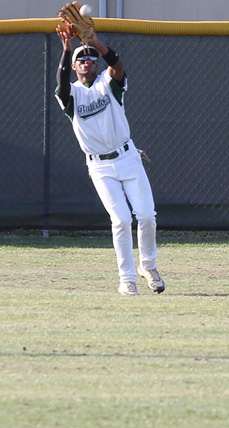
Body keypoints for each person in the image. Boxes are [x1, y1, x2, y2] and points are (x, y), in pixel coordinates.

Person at [55, 25, 165, 296]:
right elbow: (60, 84)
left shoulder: (108, 83)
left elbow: (116, 64)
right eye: (81, 58)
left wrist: (97, 43)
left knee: (147, 216)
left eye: (91, 57)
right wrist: (68, 48)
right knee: (121, 220)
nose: (87, 60)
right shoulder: (70, 94)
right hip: (100, 166)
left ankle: (148, 266)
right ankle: (127, 279)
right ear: (73, 65)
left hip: (128, 157)